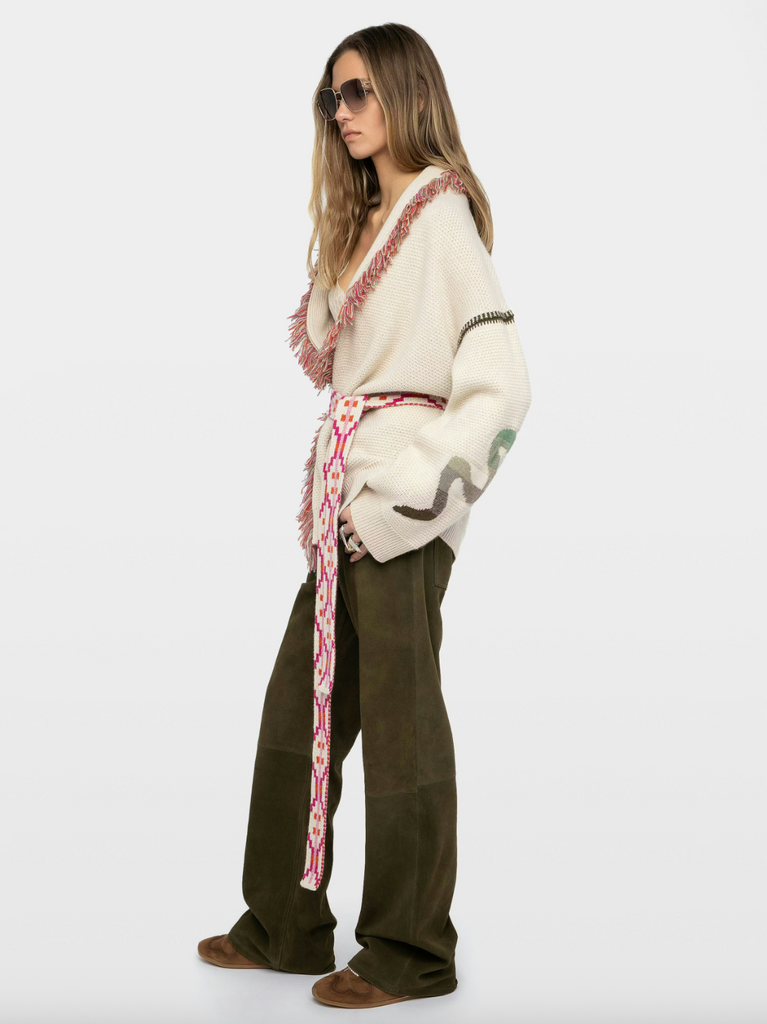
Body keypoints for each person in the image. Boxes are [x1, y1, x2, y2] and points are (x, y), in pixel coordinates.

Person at [197, 21, 532, 1010]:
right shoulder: (373, 220)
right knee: (295, 712)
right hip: (342, 509)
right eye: (329, 97)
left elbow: (502, 385)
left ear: (404, 92)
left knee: (400, 728)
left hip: (396, 509)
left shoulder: (439, 214)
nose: (340, 112)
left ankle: (410, 950)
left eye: (358, 93)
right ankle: (284, 923)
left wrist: (408, 498)